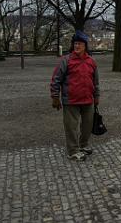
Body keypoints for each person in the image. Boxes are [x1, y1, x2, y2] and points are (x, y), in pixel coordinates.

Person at [50, 30, 100, 161]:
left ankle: (83, 144)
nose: (77, 46)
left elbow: (96, 82)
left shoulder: (91, 62)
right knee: (71, 126)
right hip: (71, 100)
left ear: (85, 46)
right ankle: (73, 150)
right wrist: (55, 97)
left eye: (80, 44)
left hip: (88, 99)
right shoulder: (66, 61)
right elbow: (56, 79)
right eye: (75, 43)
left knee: (87, 125)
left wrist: (97, 96)